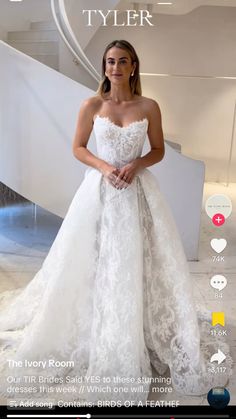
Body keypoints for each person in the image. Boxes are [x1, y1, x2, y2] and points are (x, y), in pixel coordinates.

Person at [0, 40, 231, 407]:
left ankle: (135, 327)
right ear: (104, 67)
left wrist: (135, 165)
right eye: (110, 61)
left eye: (123, 61)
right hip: (99, 191)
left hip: (137, 193)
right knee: (94, 259)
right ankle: (97, 325)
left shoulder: (149, 107)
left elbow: (157, 149)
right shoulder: (92, 105)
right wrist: (106, 167)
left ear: (134, 66)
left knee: (137, 261)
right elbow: (78, 147)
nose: (116, 67)